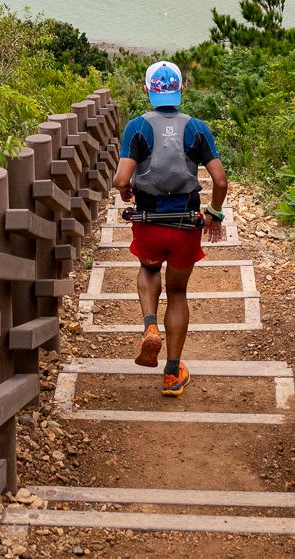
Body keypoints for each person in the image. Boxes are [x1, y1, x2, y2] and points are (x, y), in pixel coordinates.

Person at [114, 59, 228, 397]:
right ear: (181, 90)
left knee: (149, 269)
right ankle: (172, 372)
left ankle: (149, 326)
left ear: (147, 90)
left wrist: (125, 190)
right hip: (185, 225)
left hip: (149, 223)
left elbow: (122, 178)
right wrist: (213, 214)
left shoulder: (137, 127)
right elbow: (220, 181)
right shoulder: (197, 128)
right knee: (178, 292)